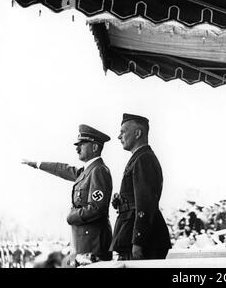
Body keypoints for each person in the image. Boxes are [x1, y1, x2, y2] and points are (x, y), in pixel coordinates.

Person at [22, 124, 113, 264]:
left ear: (94, 147)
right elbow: (63, 169)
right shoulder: (87, 171)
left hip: (93, 245)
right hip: (84, 245)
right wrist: (38, 164)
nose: (77, 149)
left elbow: (97, 208)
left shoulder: (98, 170)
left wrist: (71, 216)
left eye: (82, 144)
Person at [110, 113, 171, 260]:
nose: (119, 137)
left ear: (137, 133)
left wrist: (138, 240)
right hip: (132, 234)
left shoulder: (143, 159)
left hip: (141, 240)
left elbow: (145, 205)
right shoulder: (140, 158)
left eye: (123, 132)